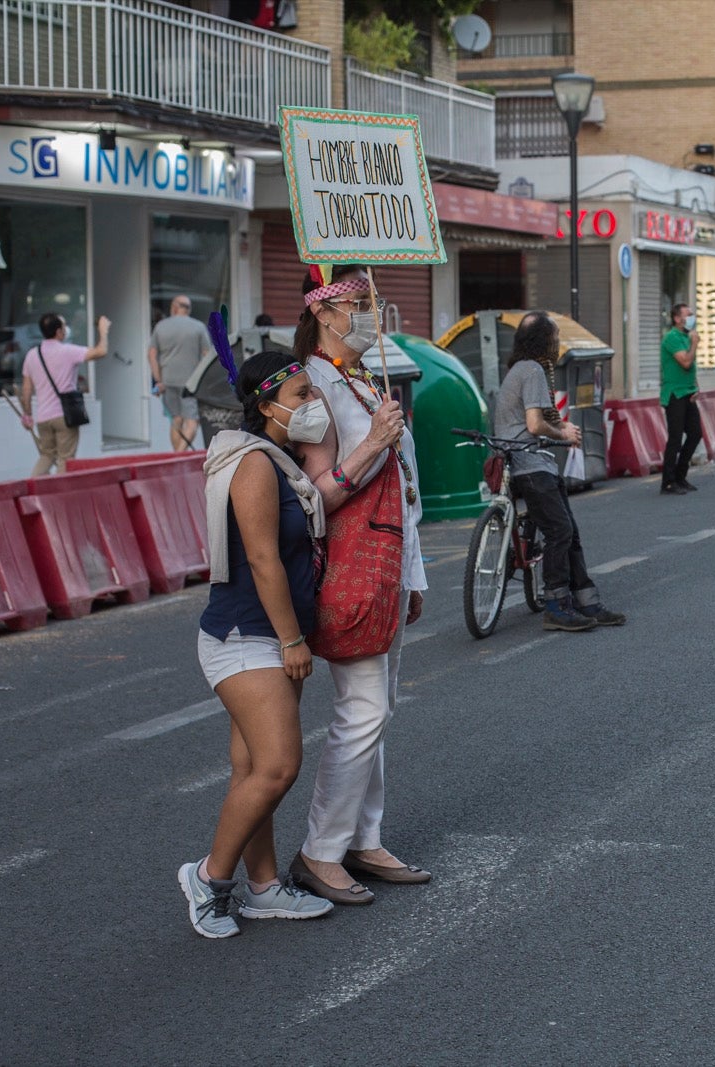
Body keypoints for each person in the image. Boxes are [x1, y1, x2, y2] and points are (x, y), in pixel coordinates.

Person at [287, 264, 429, 907]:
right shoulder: (309, 388)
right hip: (348, 565)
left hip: (389, 562)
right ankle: (321, 850)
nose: (372, 314)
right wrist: (374, 440)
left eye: (374, 301)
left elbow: (407, 488)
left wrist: (414, 574)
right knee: (362, 708)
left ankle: (362, 839)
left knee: (380, 709)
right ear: (324, 311)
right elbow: (317, 495)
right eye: (360, 303)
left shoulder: (366, 379)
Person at [179, 350, 334, 938]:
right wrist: (293, 639)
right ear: (266, 406)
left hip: (261, 633)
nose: (312, 404)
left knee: (249, 768)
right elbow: (263, 559)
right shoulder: (253, 466)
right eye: (300, 395)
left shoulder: (279, 460)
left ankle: (265, 887)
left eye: (312, 392)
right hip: (246, 634)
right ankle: (209, 879)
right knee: (276, 767)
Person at [495, 310, 628, 630]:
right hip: (530, 465)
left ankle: (586, 601)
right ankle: (555, 604)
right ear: (543, 341)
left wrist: (561, 426)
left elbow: (541, 416)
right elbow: (534, 423)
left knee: (570, 532)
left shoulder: (521, 369)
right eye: (555, 338)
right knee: (560, 532)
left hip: (532, 463)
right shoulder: (532, 371)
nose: (558, 344)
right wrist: (563, 434)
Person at [19, 312, 111, 476]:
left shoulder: (32, 355)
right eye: (63, 326)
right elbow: (101, 351)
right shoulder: (68, 351)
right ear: (59, 332)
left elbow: (26, 390)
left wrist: (27, 415)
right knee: (65, 459)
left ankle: (32, 487)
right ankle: (59, 495)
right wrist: (103, 331)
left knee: (46, 456)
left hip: (43, 418)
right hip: (64, 416)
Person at [148, 294, 214, 451]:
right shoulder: (198, 327)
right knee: (192, 422)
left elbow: (151, 355)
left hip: (168, 381)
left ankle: (176, 457)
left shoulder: (161, 326)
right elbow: (207, 355)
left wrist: (159, 380)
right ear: (188, 309)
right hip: (191, 384)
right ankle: (179, 456)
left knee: (176, 420)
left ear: (174, 307)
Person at [659, 303, 703, 495]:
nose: (692, 318)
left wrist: (696, 385)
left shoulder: (686, 336)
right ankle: (668, 482)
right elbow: (685, 362)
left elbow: (691, 367)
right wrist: (694, 344)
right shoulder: (672, 338)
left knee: (695, 434)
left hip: (688, 392)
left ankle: (680, 475)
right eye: (688, 314)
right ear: (677, 318)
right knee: (675, 438)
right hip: (675, 393)